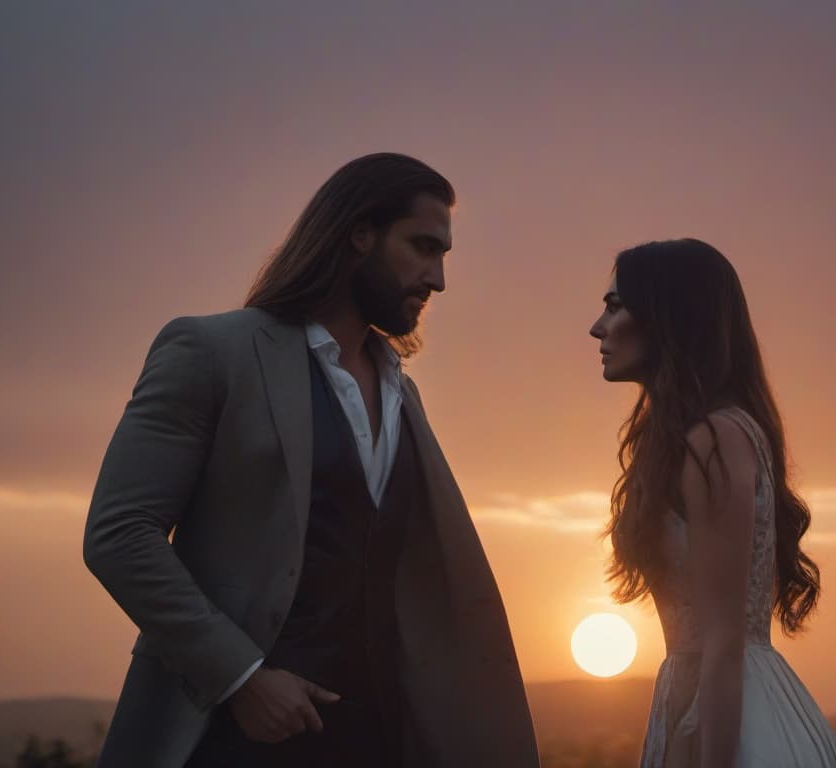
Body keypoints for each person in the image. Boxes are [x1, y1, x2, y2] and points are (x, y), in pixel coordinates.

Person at [84, 153, 539, 767]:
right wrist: (242, 678)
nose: (438, 279)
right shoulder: (212, 352)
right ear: (359, 233)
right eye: (423, 247)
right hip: (230, 741)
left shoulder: (403, 393)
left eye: (444, 256)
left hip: (378, 742)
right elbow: (119, 534)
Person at [588, 239, 836, 768]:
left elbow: (724, 638)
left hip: (727, 715)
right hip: (695, 695)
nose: (598, 327)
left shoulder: (716, 437)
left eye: (616, 306)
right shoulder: (686, 440)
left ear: (669, 317)